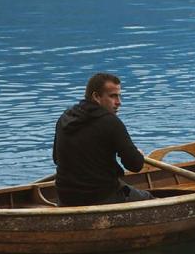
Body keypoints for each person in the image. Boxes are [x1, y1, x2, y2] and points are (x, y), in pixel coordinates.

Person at [52, 72, 150, 207]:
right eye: (113, 96)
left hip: (65, 199)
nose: (119, 102)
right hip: (101, 197)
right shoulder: (110, 122)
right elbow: (134, 165)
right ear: (96, 97)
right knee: (150, 200)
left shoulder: (65, 118)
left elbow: (57, 159)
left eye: (119, 96)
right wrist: (138, 154)